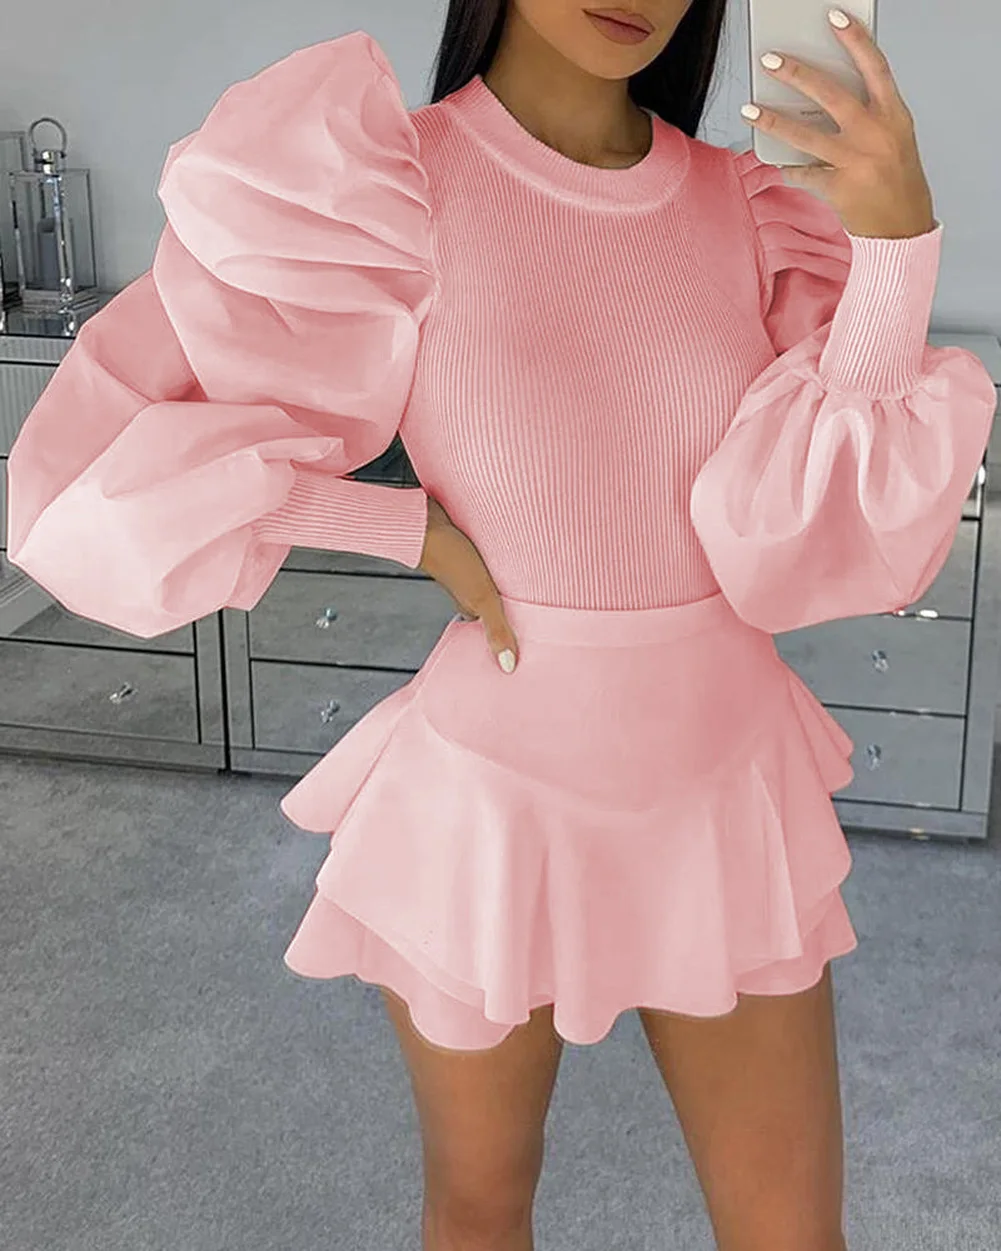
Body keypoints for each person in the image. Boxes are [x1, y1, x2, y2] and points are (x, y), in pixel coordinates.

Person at [6, 3, 996, 1249]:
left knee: (791, 1233)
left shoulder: (752, 209)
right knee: (479, 1214)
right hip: (491, 798)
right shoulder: (376, 186)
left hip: (725, 790)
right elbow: (78, 485)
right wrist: (397, 527)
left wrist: (896, 244)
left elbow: (819, 536)